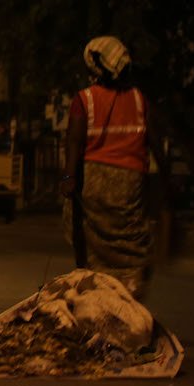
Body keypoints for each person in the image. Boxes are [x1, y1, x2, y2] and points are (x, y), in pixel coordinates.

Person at [60, 36, 161, 300]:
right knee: (130, 241)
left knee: (89, 237)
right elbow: (154, 142)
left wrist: (69, 177)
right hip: (130, 183)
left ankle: (96, 290)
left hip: (94, 181)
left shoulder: (84, 100)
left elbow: (74, 141)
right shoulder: (140, 99)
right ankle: (130, 289)